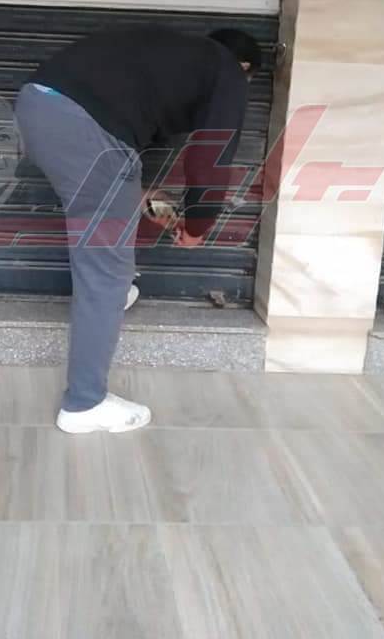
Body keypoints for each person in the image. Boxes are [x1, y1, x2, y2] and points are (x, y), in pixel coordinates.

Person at [14, 25, 261, 434]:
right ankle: (84, 404)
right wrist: (198, 224)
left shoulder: (170, 53)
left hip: (38, 106)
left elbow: (107, 143)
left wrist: (137, 193)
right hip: (83, 125)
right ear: (245, 66)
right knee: (104, 271)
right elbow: (210, 158)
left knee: (108, 224)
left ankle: (115, 294)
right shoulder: (227, 70)